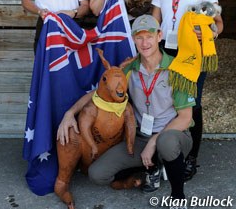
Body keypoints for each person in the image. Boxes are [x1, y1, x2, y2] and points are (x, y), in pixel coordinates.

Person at [57, 15, 195, 208]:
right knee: (98, 174)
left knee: (166, 142)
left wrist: (154, 142)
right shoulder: (129, 68)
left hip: (174, 135)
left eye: (149, 36)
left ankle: (178, 197)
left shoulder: (178, 69)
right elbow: (99, 93)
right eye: (139, 37)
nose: (144, 42)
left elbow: (185, 118)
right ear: (133, 39)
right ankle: (153, 167)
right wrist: (70, 113)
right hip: (141, 137)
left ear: (159, 36)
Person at [151, 0, 224, 181]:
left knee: (192, 102)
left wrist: (209, 33)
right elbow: (154, 21)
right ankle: (168, 149)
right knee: (169, 99)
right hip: (167, 50)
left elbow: (218, 23)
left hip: (193, 52)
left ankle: (191, 157)